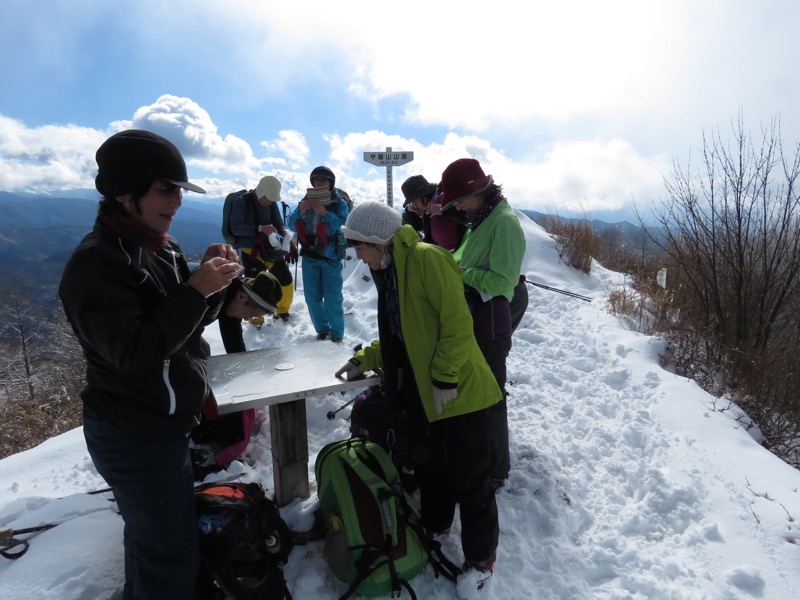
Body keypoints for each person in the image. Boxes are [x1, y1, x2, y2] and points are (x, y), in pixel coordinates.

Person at [58, 129, 242, 600]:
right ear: (125, 192)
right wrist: (195, 290)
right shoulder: (96, 264)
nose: (177, 201)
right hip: (133, 433)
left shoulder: (160, 245)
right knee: (168, 552)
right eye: (166, 189)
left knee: (155, 541)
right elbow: (135, 353)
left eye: (180, 190)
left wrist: (213, 285)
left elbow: (186, 323)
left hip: (159, 426)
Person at [334, 201, 502, 586]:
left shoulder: (428, 260)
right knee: (432, 466)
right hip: (424, 392)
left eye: (360, 247)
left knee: (471, 477)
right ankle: (436, 524)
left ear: (378, 241)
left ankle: (481, 558)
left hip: (459, 390)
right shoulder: (391, 271)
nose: (358, 256)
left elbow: (457, 325)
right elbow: (403, 332)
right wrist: (368, 357)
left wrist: (444, 378)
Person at [440, 158, 527, 489]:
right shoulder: (481, 218)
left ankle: (496, 470)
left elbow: (503, 282)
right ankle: (484, 459)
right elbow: (466, 257)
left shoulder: (503, 222)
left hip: (491, 321)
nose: (458, 208)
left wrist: (460, 273)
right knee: (481, 392)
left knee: (491, 396)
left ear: (476, 191)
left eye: (459, 201)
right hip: (477, 316)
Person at [192, 271, 283, 479]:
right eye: (250, 314)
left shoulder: (231, 302)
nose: (248, 319)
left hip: (187, 332)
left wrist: (248, 373)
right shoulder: (211, 293)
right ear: (243, 296)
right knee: (195, 367)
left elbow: (234, 346)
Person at [287, 165, 349, 343]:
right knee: (312, 297)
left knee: (332, 298)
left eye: (323, 179)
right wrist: (301, 211)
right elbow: (291, 225)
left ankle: (337, 333)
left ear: (331, 182)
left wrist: (325, 214)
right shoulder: (305, 201)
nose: (319, 182)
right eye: (316, 179)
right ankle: (322, 329)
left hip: (331, 256)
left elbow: (344, 226)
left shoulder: (339, 203)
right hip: (310, 255)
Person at [228, 176, 295, 320]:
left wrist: (283, 232)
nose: (269, 202)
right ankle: (255, 318)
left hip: (270, 248)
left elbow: (278, 222)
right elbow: (235, 228)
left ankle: (282, 311)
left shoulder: (271, 203)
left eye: (271, 199)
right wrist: (259, 228)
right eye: (267, 198)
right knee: (255, 286)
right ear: (261, 191)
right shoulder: (241, 202)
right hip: (250, 250)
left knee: (285, 278)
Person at [401, 174, 467, 252]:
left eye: (413, 201)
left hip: (462, 253)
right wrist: (410, 212)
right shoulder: (428, 210)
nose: (414, 205)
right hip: (445, 255)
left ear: (422, 195)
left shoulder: (444, 199)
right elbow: (418, 227)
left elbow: (468, 215)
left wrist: (444, 210)